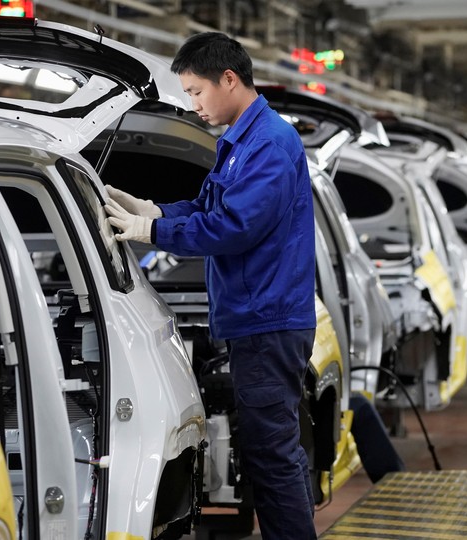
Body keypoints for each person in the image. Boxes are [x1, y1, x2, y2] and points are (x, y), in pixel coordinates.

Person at [103, 32, 317, 539]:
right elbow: (208, 210)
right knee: (269, 451)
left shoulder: (269, 143)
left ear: (229, 79)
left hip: (268, 320)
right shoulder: (240, 141)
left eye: (196, 91)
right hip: (256, 318)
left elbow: (234, 227)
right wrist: (154, 210)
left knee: (271, 454)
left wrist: (153, 232)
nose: (192, 104)